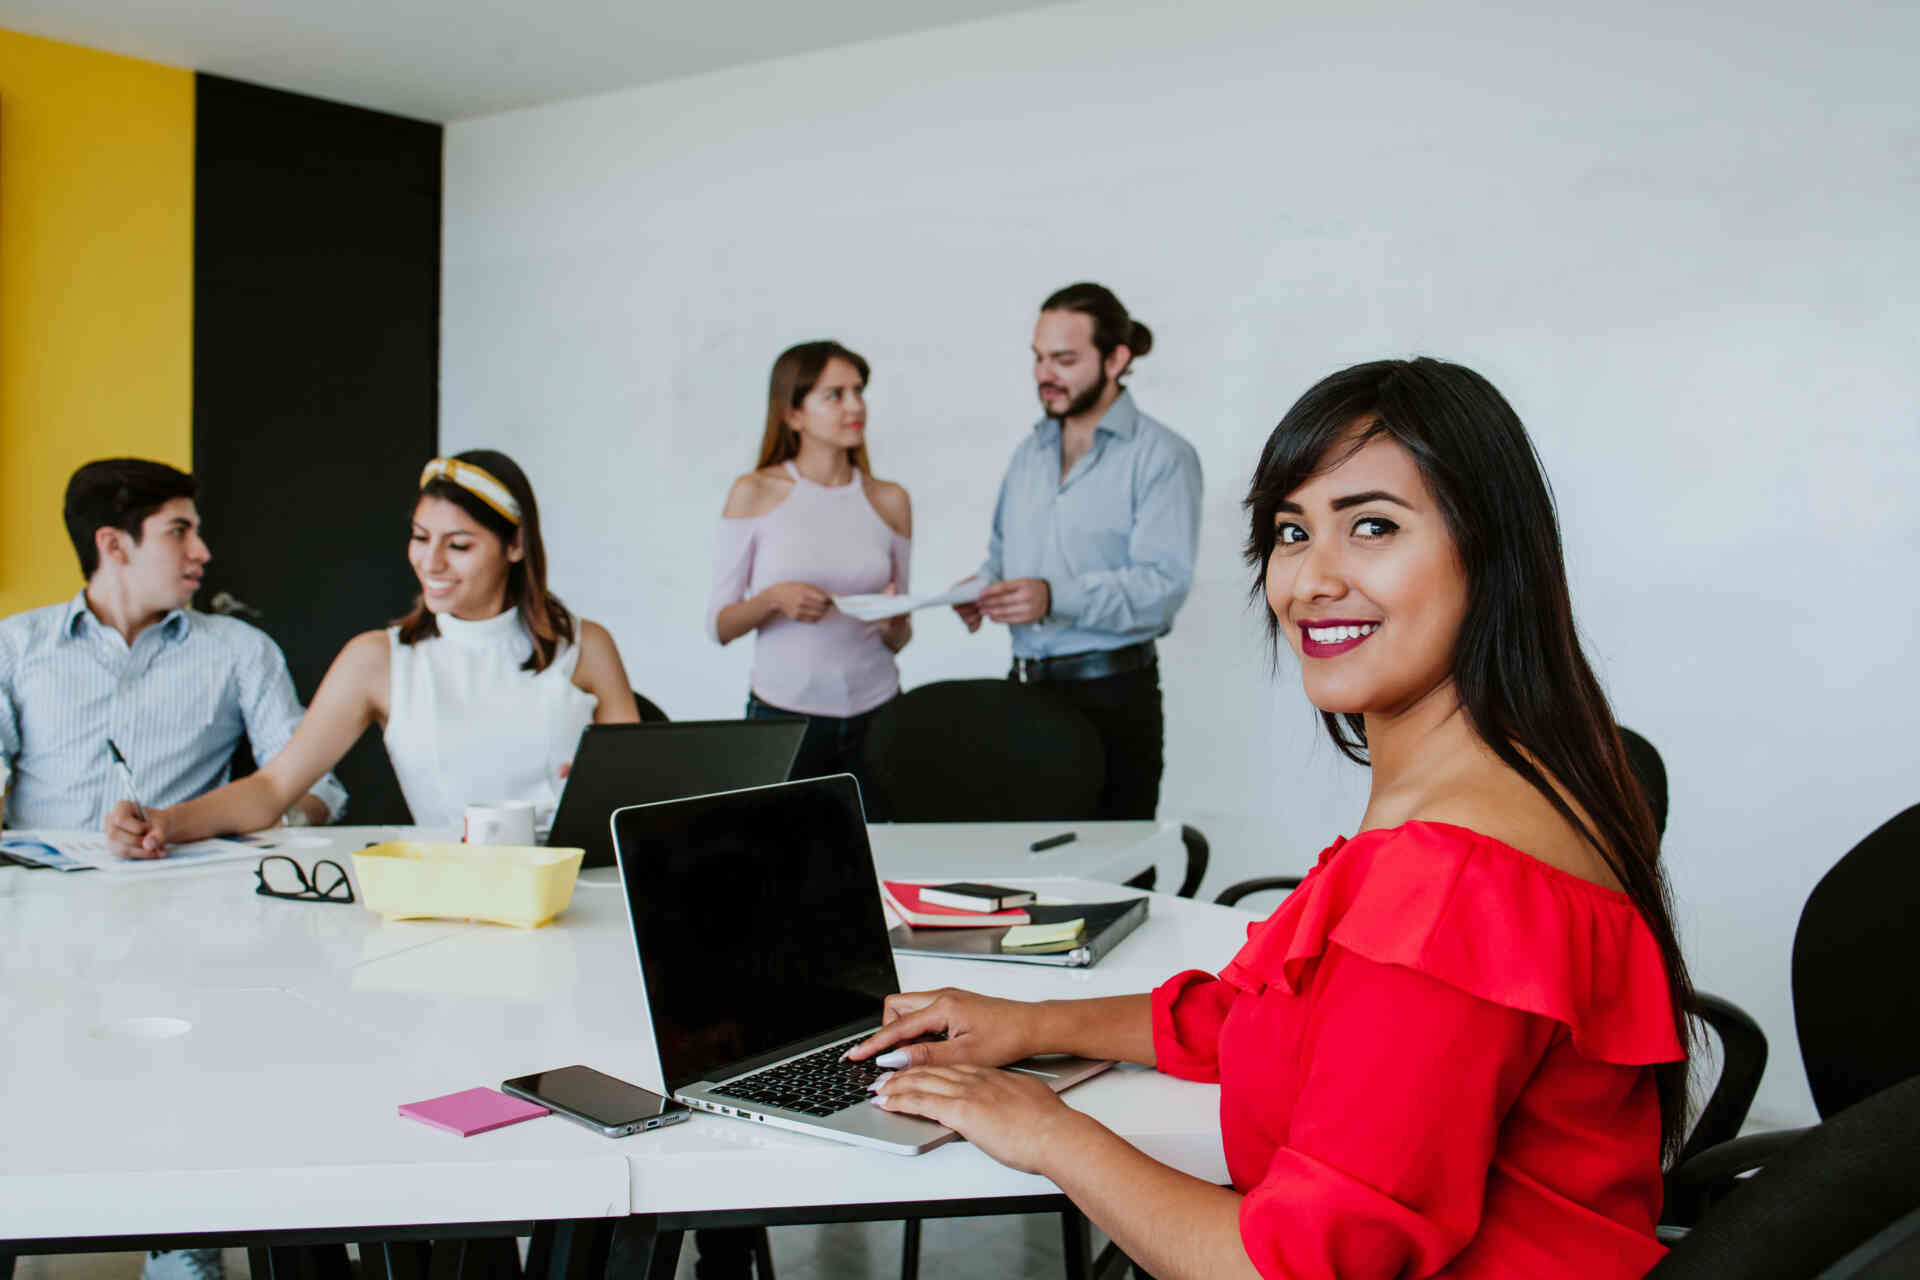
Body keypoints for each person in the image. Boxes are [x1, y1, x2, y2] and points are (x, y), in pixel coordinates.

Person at [854, 359, 1695, 1278]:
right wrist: (1032, 1024)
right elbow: (1273, 1020)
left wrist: (1049, 1132)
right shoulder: (1510, 785)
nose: (1308, 581)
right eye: (1292, 532)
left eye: (1372, 526)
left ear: (1491, 550)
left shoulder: (1453, 880)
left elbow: (1284, 1273)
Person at [105, 450, 640, 855]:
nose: (431, 562)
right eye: (419, 537)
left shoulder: (586, 647)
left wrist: (602, 794)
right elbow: (273, 788)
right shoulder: (378, 660)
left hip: (582, 886)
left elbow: (642, 800)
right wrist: (166, 822)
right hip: (454, 897)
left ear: (515, 546)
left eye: (459, 545)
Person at [956, 282, 1202, 819]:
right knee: (1024, 877)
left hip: (1111, 699)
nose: (1046, 374)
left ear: (1116, 359)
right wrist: (981, 589)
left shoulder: (1162, 456)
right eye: (1040, 358)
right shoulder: (1029, 452)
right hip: (1023, 694)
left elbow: (1163, 587)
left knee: (1110, 885)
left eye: (1064, 359)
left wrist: (1052, 597)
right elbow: (1002, 553)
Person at [1, 458, 345, 834]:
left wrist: (266, 819)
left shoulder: (241, 650)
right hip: (44, 885)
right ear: (114, 545)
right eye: (179, 531)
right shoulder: (15, 646)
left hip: (186, 880)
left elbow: (317, 788)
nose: (202, 552)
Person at [709, 340, 912, 805]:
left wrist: (894, 622)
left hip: (878, 714)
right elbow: (719, 625)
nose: (855, 405)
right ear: (793, 414)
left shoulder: (890, 500)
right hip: (784, 720)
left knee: (882, 857)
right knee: (784, 862)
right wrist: (774, 599)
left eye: (858, 391)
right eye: (834, 395)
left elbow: (901, 634)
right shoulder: (754, 493)